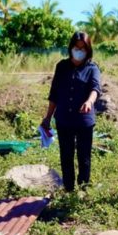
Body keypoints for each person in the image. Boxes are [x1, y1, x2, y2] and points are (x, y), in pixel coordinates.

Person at [42, 31, 101, 192]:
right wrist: (48, 117)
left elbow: (95, 88)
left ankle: (83, 190)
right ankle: (68, 189)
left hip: (84, 121)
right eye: (76, 48)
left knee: (84, 157)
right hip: (64, 119)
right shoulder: (61, 66)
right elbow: (54, 93)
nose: (79, 51)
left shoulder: (92, 68)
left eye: (83, 48)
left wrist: (89, 101)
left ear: (88, 50)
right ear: (71, 48)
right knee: (66, 156)